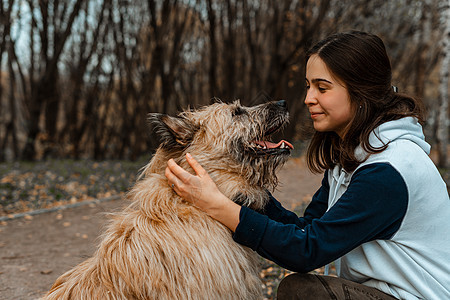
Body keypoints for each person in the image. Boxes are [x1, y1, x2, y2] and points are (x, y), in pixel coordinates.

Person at [165, 31, 450, 300]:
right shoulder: (353, 156)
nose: (308, 99)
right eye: (308, 86)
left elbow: (307, 250)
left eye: (322, 88)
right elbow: (308, 228)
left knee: (301, 292)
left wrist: (220, 206)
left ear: (361, 91)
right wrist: (242, 197)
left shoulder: (389, 170)